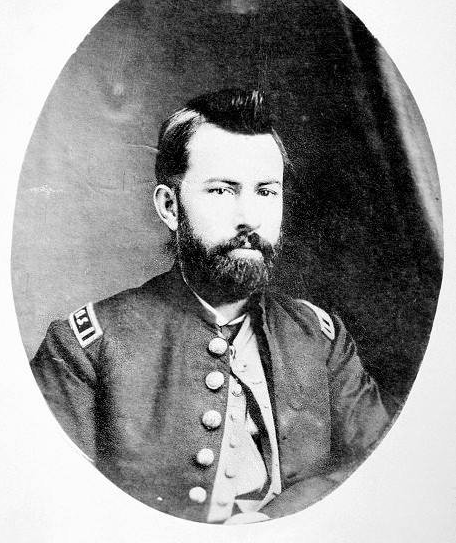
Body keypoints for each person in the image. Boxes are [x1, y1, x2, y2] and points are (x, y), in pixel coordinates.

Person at [30, 89, 392, 524]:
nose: (250, 217)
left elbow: (382, 468)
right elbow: (57, 509)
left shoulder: (319, 337)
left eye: (266, 191)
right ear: (170, 207)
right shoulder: (84, 348)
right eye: (221, 190)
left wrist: (279, 518)